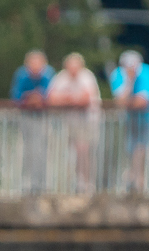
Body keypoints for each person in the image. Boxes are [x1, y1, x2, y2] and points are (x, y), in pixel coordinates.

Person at [47, 52, 102, 192]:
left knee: (83, 151)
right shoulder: (61, 77)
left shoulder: (87, 76)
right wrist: (72, 99)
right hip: (67, 123)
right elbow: (51, 98)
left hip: (86, 122)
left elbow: (86, 99)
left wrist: (65, 100)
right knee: (65, 153)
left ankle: (85, 182)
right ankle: (66, 183)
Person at [110, 50, 149, 191]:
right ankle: (132, 179)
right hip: (128, 121)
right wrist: (130, 81)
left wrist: (128, 102)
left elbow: (143, 101)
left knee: (142, 149)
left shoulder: (147, 72)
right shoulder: (118, 74)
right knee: (130, 150)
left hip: (148, 120)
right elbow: (120, 101)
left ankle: (139, 181)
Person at [11, 49, 53, 192]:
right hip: (26, 118)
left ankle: (41, 183)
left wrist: (35, 99)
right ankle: (26, 183)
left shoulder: (48, 75)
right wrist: (32, 99)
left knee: (42, 150)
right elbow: (16, 96)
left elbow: (51, 96)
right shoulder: (21, 75)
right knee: (26, 150)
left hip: (43, 118)